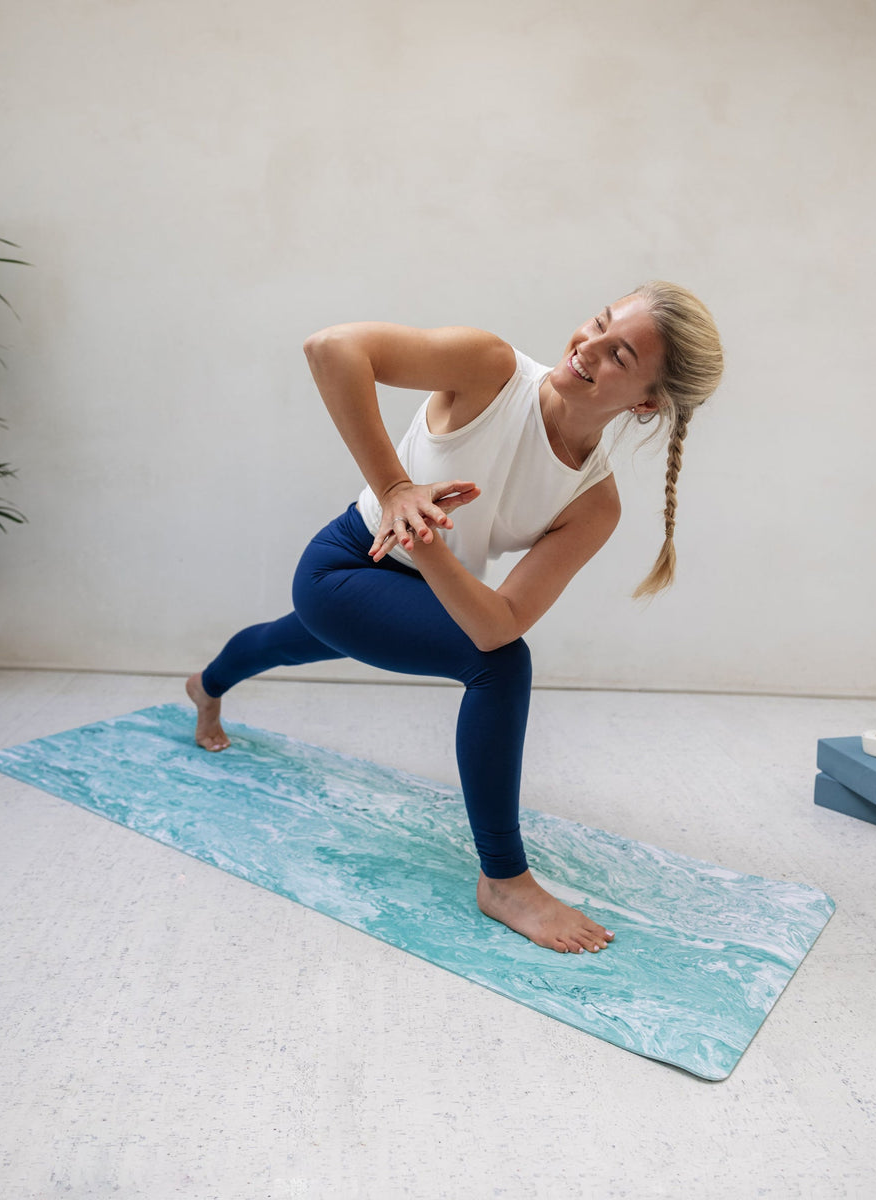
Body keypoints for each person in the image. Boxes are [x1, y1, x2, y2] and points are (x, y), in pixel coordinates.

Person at [186, 281, 724, 955]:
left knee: (290, 641)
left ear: (646, 402)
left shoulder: (594, 503)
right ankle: (503, 880)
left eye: (619, 354)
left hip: (432, 588)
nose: (588, 346)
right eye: (599, 322)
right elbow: (331, 349)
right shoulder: (490, 368)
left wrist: (427, 540)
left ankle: (205, 685)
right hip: (344, 567)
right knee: (496, 668)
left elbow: (500, 620)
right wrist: (395, 490)